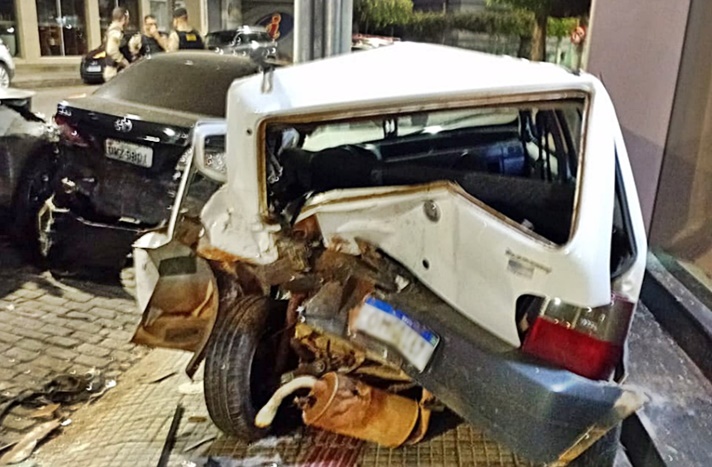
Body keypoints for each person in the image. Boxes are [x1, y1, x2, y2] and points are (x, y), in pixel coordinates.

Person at [103, 7, 131, 81]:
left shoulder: (112, 31)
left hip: (114, 72)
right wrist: (124, 61)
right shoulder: (115, 33)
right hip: (115, 73)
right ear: (123, 18)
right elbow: (111, 50)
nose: (128, 21)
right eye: (127, 18)